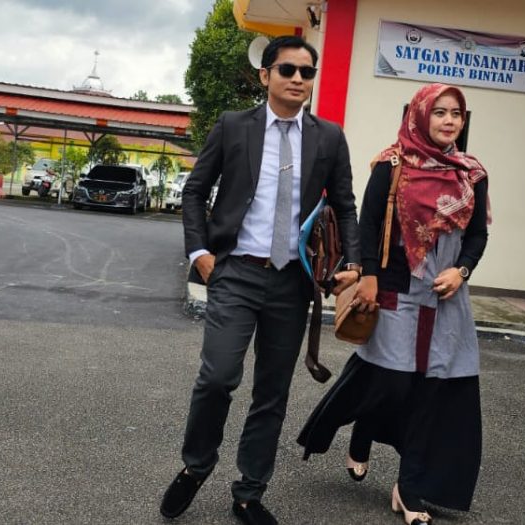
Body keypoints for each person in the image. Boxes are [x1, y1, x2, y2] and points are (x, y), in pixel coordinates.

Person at [160, 35, 361, 525]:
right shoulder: (234, 126)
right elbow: (195, 192)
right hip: (236, 271)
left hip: (292, 282)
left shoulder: (329, 137)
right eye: (288, 70)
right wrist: (201, 254)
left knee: (272, 393)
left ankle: (249, 493)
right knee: (217, 378)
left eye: (306, 72)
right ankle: (196, 465)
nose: (298, 79)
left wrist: (352, 263)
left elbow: (345, 206)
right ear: (265, 75)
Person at [298, 83, 489, 525]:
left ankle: (410, 488)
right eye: (439, 112)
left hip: (445, 297)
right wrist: (367, 277)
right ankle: (363, 430)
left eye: (456, 114)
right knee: (391, 381)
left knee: (432, 390)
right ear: (419, 116)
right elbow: (367, 225)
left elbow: (478, 234)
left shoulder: (472, 174)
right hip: (396, 289)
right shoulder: (393, 163)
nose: (448, 121)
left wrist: (461, 271)